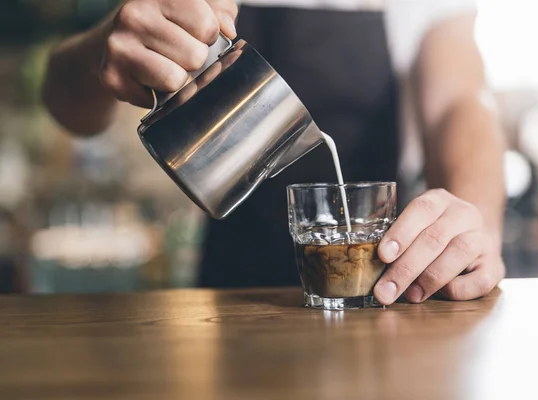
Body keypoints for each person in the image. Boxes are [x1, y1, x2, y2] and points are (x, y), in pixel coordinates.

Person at [42, 0, 506, 305]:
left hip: (380, 293)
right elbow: (65, 105)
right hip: (231, 296)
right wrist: (102, 51)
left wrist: (472, 223)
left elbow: (456, 103)